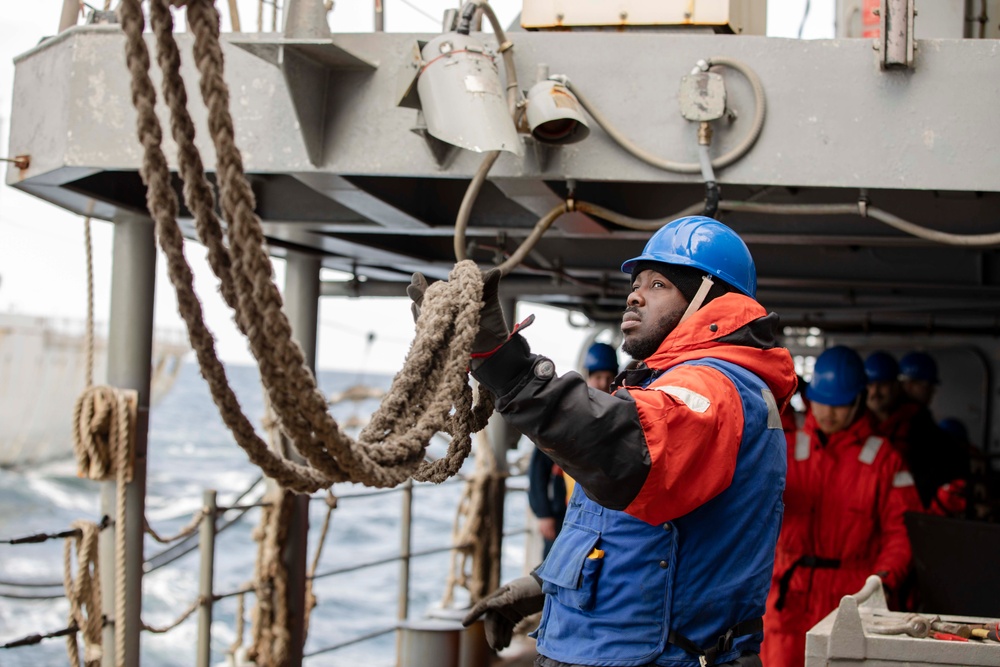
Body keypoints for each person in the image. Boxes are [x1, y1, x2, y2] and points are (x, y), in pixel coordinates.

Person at [433, 216, 797, 667]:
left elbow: (627, 454)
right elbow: (645, 535)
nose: (635, 294)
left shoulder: (713, 388)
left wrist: (504, 366)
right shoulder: (683, 385)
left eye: (659, 283)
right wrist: (549, 584)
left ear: (708, 301)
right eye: (637, 281)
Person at [762, 346, 921, 667]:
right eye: (821, 401)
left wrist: (882, 579)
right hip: (785, 597)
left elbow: (902, 530)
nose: (827, 412)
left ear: (858, 401)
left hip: (851, 600)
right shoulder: (785, 447)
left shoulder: (884, 458)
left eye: (839, 404)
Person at [528, 342, 619, 558]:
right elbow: (538, 470)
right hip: (563, 513)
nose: (603, 384)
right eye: (598, 378)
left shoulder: (619, 414)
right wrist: (543, 514)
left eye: (608, 378)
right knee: (554, 564)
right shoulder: (564, 415)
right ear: (587, 377)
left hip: (600, 517)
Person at [864, 350, 970, 509]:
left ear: (895, 386)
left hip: (900, 508)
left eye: (883, 385)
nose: (875, 392)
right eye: (870, 385)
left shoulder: (917, 424)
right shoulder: (856, 423)